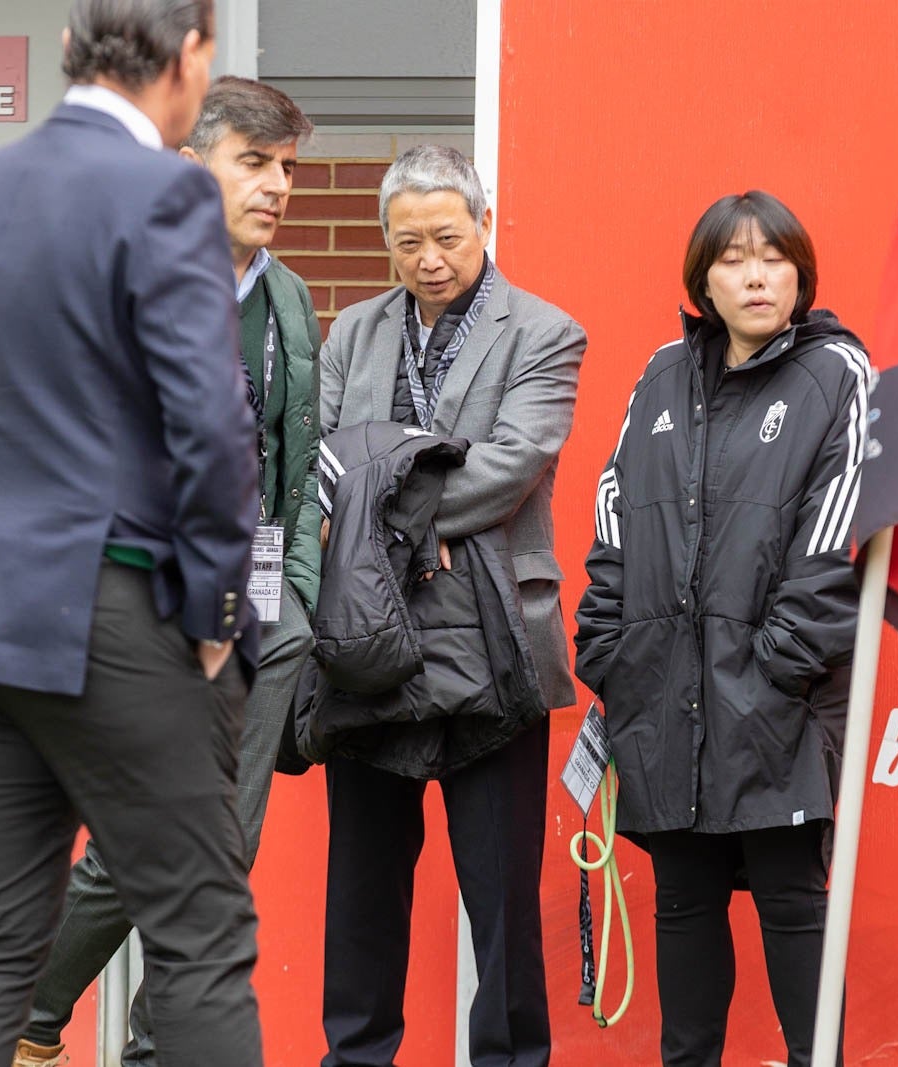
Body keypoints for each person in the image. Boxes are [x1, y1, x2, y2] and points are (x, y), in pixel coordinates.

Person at [0, 2, 265, 1064]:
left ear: (68, 52)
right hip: (117, 602)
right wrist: (215, 609)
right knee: (201, 936)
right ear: (192, 57)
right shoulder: (167, 190)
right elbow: (211, 420)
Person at [12, 75, 320, 1067]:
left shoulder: (287, 297)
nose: (277, 187)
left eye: (287, 169)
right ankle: (28, 1008)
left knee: (218, 861)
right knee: (140, 846)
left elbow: (297, 461)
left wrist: (298, 606)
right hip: (142, 613)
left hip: (260, 623)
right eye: (255, 162)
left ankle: (151, 1049)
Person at [573, 190, 864, 1067]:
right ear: (703, 279)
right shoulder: (663, 373)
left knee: (792, 900)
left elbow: (837, 536)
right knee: (683, 905)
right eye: (734, 260)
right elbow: (614, 513)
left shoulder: (837, 374)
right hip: (663, 692)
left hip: (778, 698)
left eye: (774, 258)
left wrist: (778, 667)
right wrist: (611, 652)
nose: (756, 276)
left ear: (801, 273)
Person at [318, 144, 586, 1067]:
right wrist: (402, 516)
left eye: (443, 235)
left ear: (483, 223)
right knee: (361, 891)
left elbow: (515, 462)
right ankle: (356, 1056)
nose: (427, 258)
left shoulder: (545, 332)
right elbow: (323, 458)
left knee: (502, 899)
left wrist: (382, 506)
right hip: (369, 640)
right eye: (405, 242)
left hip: (496, 640)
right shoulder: (351, 332)